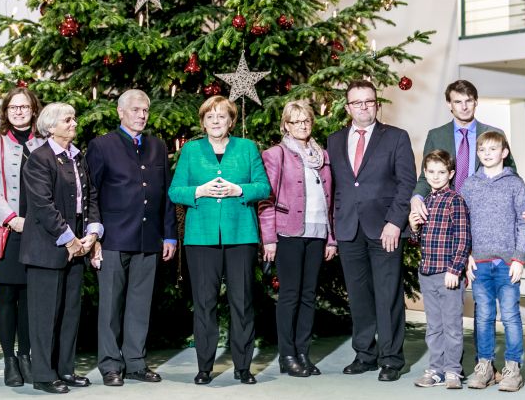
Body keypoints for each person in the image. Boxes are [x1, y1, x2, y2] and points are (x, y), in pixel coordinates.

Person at [168, 96, 271, 386]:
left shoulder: (247, 148)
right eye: (210, 117)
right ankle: (204, 367)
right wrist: (198, 191)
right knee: (204, 303)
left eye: (222, 116)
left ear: (231, 121)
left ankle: (243, 367)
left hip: (241, 235)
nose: (216, 121)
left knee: (242, 302)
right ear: (203, 122)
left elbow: (264, 187)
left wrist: (240, 189)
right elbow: (175, 191)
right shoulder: (191, 150)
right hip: (201, 237)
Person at [86, 89, 178, 387]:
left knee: (140, 304)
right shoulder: (101, 146)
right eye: (136, 110)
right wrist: (94, 236)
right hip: (112, 239)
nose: (142, 115)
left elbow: (165, 194)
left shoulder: (157, 146)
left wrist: (169, 235)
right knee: (111, 306)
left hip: (149, 238)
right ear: (120, 112)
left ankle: (136, 362)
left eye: (145, 110)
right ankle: (110, 364)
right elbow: (91, 194)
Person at [326, 80, 416, 382]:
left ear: (376, 104)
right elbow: (335, 187)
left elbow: (407, 183)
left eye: (368, 101)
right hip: (349, 228)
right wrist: (334, 228)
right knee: (358, 295)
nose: (363, 107)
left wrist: (395, 222)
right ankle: (364, 354)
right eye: (357, 102)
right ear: (347, 107)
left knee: (388, 295)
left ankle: (391, 359)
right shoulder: (334, 140)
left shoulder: (396, 137)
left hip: (386, 229)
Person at [20, 103, 103, 394]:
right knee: (45, 316)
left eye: (74, 118)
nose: (74, 123)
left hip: (77, 244)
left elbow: (90, 197)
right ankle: (44, 375)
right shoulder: (39, 158)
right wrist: (69, 239)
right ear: (51, 126)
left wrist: (92, 233)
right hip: (47, 247)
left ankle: (65, 370)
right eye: (68, 120)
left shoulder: (77, 156)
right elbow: (42, 205)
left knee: (69, 313)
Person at [258, 100, 337, 378]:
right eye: (296, 121)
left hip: (317, 232)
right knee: (290, 295)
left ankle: (303, 352)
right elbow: (266, 199)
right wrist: (269, 238)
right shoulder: (276, 154)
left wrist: (331, 238)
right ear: (286, 125)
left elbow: (330, 200)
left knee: (308, 295)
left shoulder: (322, 155)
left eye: (306, 120)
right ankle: (287, 354)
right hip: (288, 232)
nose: (302, 125)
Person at [0, 87, 45, 386]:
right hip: (7, 229)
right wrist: (11, 218)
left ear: (33, 110)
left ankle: (26, 357)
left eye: (24, 107)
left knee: (30, 296)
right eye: (13, 107)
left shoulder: (43, 142)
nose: (19, 111)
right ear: (6, 112)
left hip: (38, 231)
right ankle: (9, 361)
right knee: (6, 296)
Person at [461, 131, 525, 393]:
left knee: (510, 315)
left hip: (507, 264)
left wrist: (519, 259)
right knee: (483, 316)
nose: (487, 154)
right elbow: (462, 223)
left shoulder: (515, 184)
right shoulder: (470, 185)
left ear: (504, 153)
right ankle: (485, 366)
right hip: (479, 263)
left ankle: (512, 368)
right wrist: (467, 255)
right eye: (482, 150)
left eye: (493, 149)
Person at [409, 79, 525, 222]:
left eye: (468, 101)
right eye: (458, 102)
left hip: (485, 214)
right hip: (447, 214)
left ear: (476, 102)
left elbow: (511, 173)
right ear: (449, 104)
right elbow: (425, 176)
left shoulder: (495, 134)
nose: (464, 107)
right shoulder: (436, 136)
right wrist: (416, 198)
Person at [408, 150, 471, 389]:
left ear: (451, 174)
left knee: (451, 326)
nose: (436, 176)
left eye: (441, 172)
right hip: (427, 273)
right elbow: (419, 241)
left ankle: (453, 370)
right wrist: (414, 228)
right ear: (425, 173)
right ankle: (436, 370)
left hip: (448, 274)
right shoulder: (425, 202)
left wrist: (455, 270)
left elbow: (463, 239)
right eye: (431, 172)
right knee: (434, 327)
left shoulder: (455, 201)